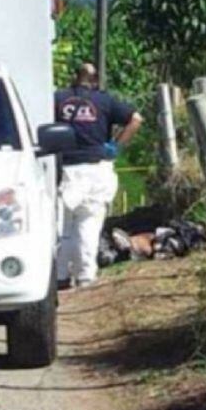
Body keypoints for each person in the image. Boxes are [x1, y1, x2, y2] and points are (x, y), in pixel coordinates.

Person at [54, 63, 143, 289]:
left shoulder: (57, 99)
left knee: (62, 227)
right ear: (95, 80)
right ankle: (85, 277)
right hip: (97, 169)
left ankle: (60, 276)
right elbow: (136, 119)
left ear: (74, 76)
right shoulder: (105, 100)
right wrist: (115, 146)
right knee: (89, 225)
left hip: (66, 170)